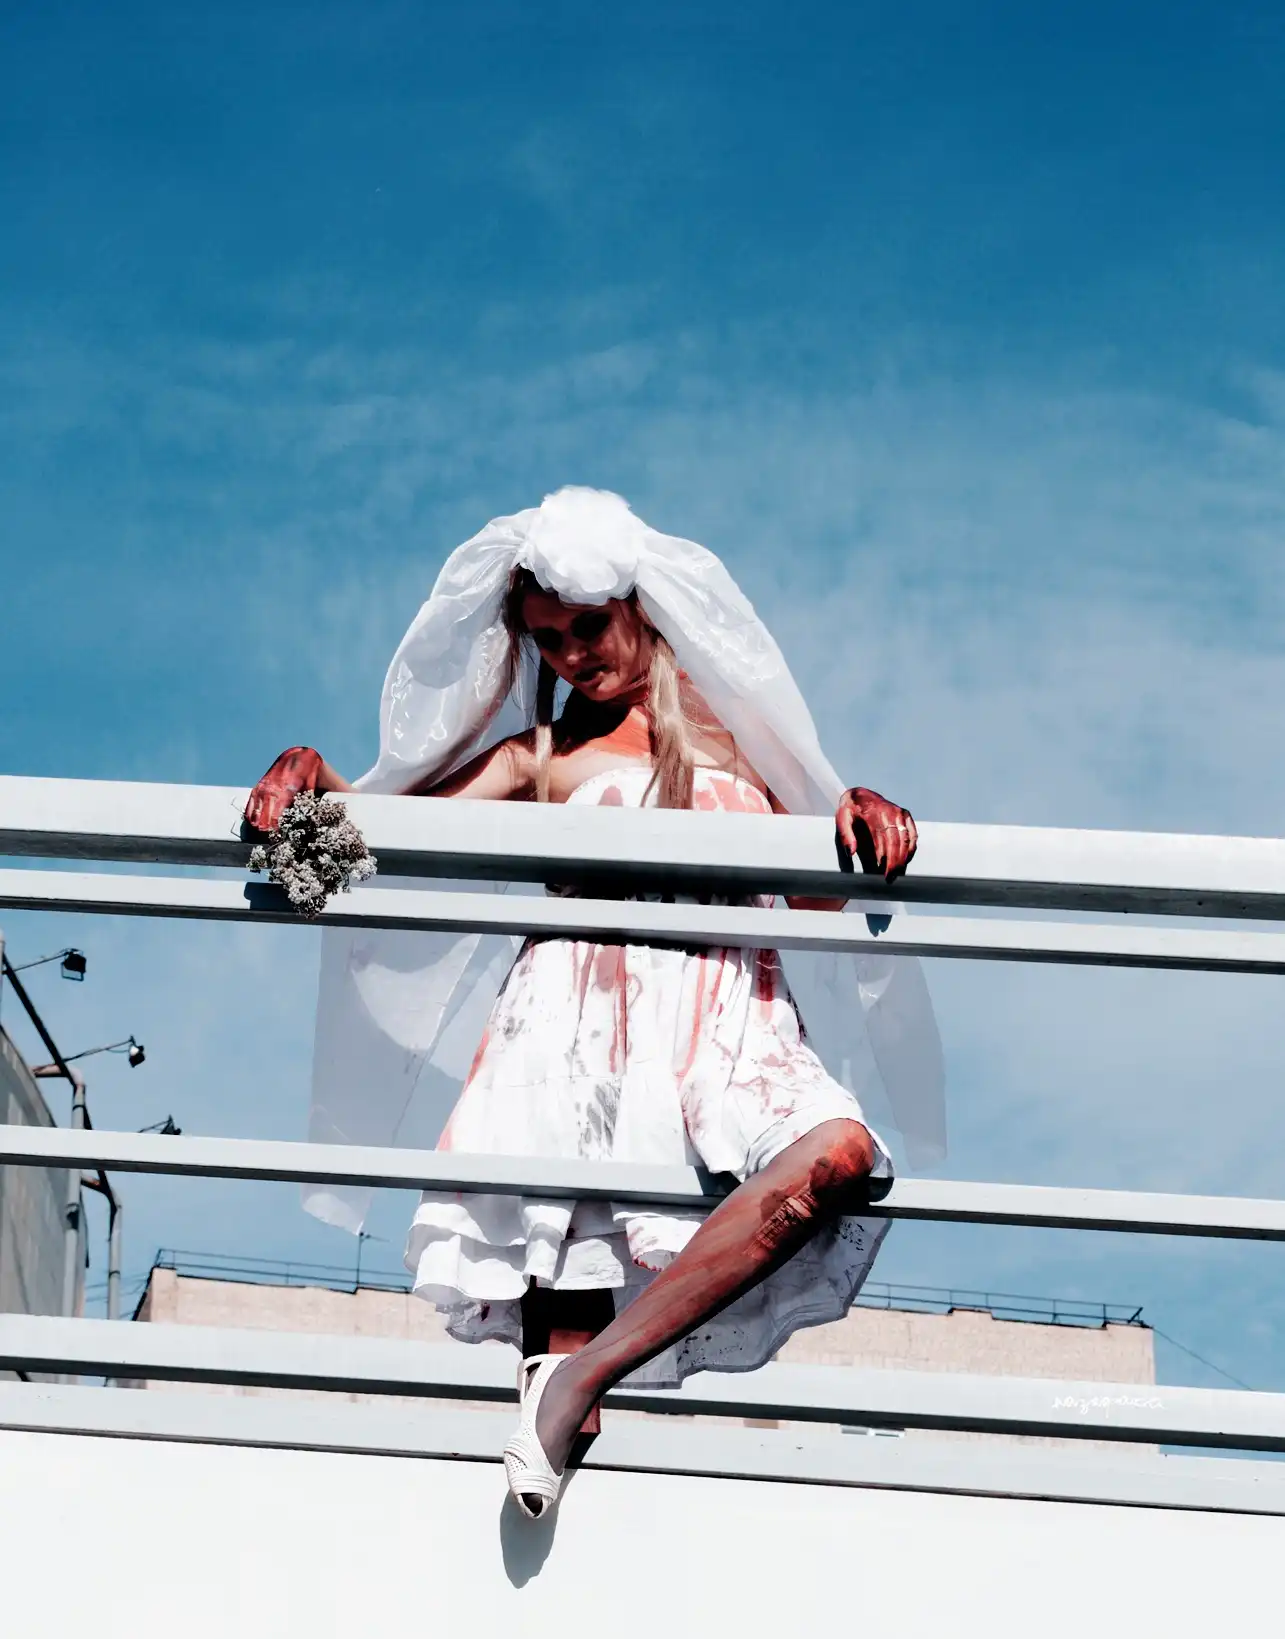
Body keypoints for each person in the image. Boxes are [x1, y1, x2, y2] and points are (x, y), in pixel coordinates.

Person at [245, 488, 939, 1517]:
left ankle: (585, 1377)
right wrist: (309, 773)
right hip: (579, 1032)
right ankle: (564, 1401)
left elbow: (817, 899)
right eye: (547, 639)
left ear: (641, 609)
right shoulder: (539, 757)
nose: (570, 655)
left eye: (586, 627)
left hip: (731, 1015)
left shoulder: (745, 740)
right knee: (555, 1370)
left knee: (836, 1154)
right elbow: (360, 846)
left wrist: (854, 805)